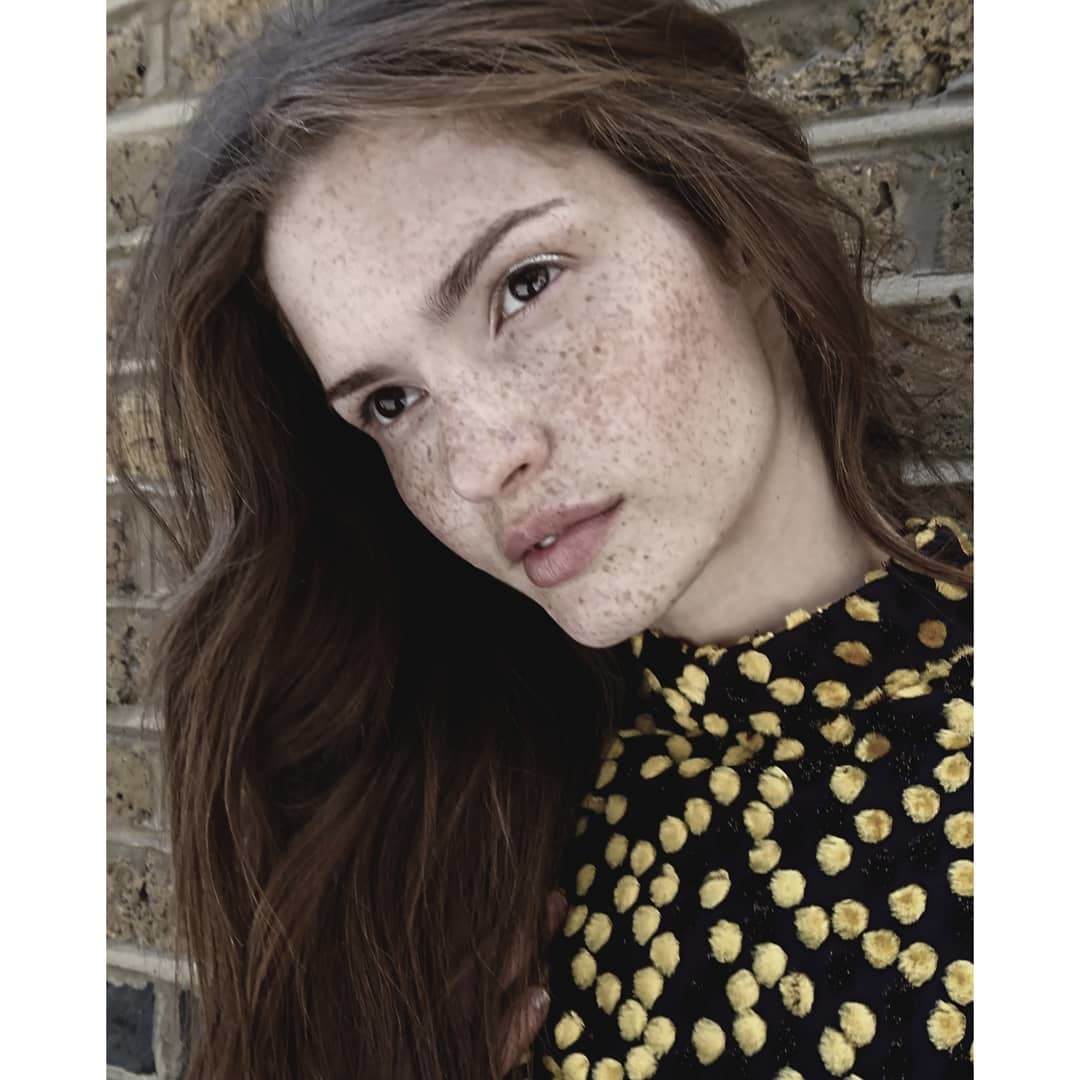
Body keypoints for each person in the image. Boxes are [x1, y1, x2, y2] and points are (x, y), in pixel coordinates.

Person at [109, 1, 973, 1077]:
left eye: (524, 285)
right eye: (391, 403)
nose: (475, 466)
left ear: (730, 222)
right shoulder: (453, 831)